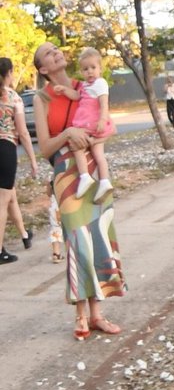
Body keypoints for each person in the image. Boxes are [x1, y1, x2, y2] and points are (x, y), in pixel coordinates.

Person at [32, 42, 125, 339]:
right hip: (65, 172)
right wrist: (67, 134)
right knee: (77, 238)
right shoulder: (42, 98)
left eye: (57, 49)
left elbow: (107, 120)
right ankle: (80, 314)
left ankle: (98, 313)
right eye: (48, 53)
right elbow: (45, 146)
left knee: (99, 235)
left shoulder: (86, 82)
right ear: (43, 69)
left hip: (93, 167)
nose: (56, 52)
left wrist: (95, 133)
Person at [0, 57, 39, 262]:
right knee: (3, 200)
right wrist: (33, 160)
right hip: (5, 148)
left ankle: (24, 235)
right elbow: (23, 133)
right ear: (8, 74)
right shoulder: (13, 97)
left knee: (10, 194)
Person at [70, 48, 116, 186]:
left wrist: (102, 119)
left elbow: (104, 104)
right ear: (81, 72)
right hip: (88, 123)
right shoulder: (84, 85)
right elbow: (77, 96)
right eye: (85, 69)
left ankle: (86, 177)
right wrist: (65, 90)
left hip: (93, 123)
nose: (89, 71)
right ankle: (103, 181)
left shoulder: (100, 83)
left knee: (78, 148)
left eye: (93, 67)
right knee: (96, 153)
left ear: (100, 69)